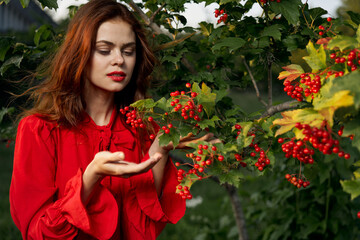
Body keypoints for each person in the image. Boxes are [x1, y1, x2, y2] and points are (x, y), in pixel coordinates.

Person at [9, 0, 216, 239]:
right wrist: (90, 179)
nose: (119, 60)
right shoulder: (39, 129)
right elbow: (37, 233)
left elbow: (143, 231)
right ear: (80, 54)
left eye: (128, 51)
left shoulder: (142, 128)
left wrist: (158, 151)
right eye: (105, 50)